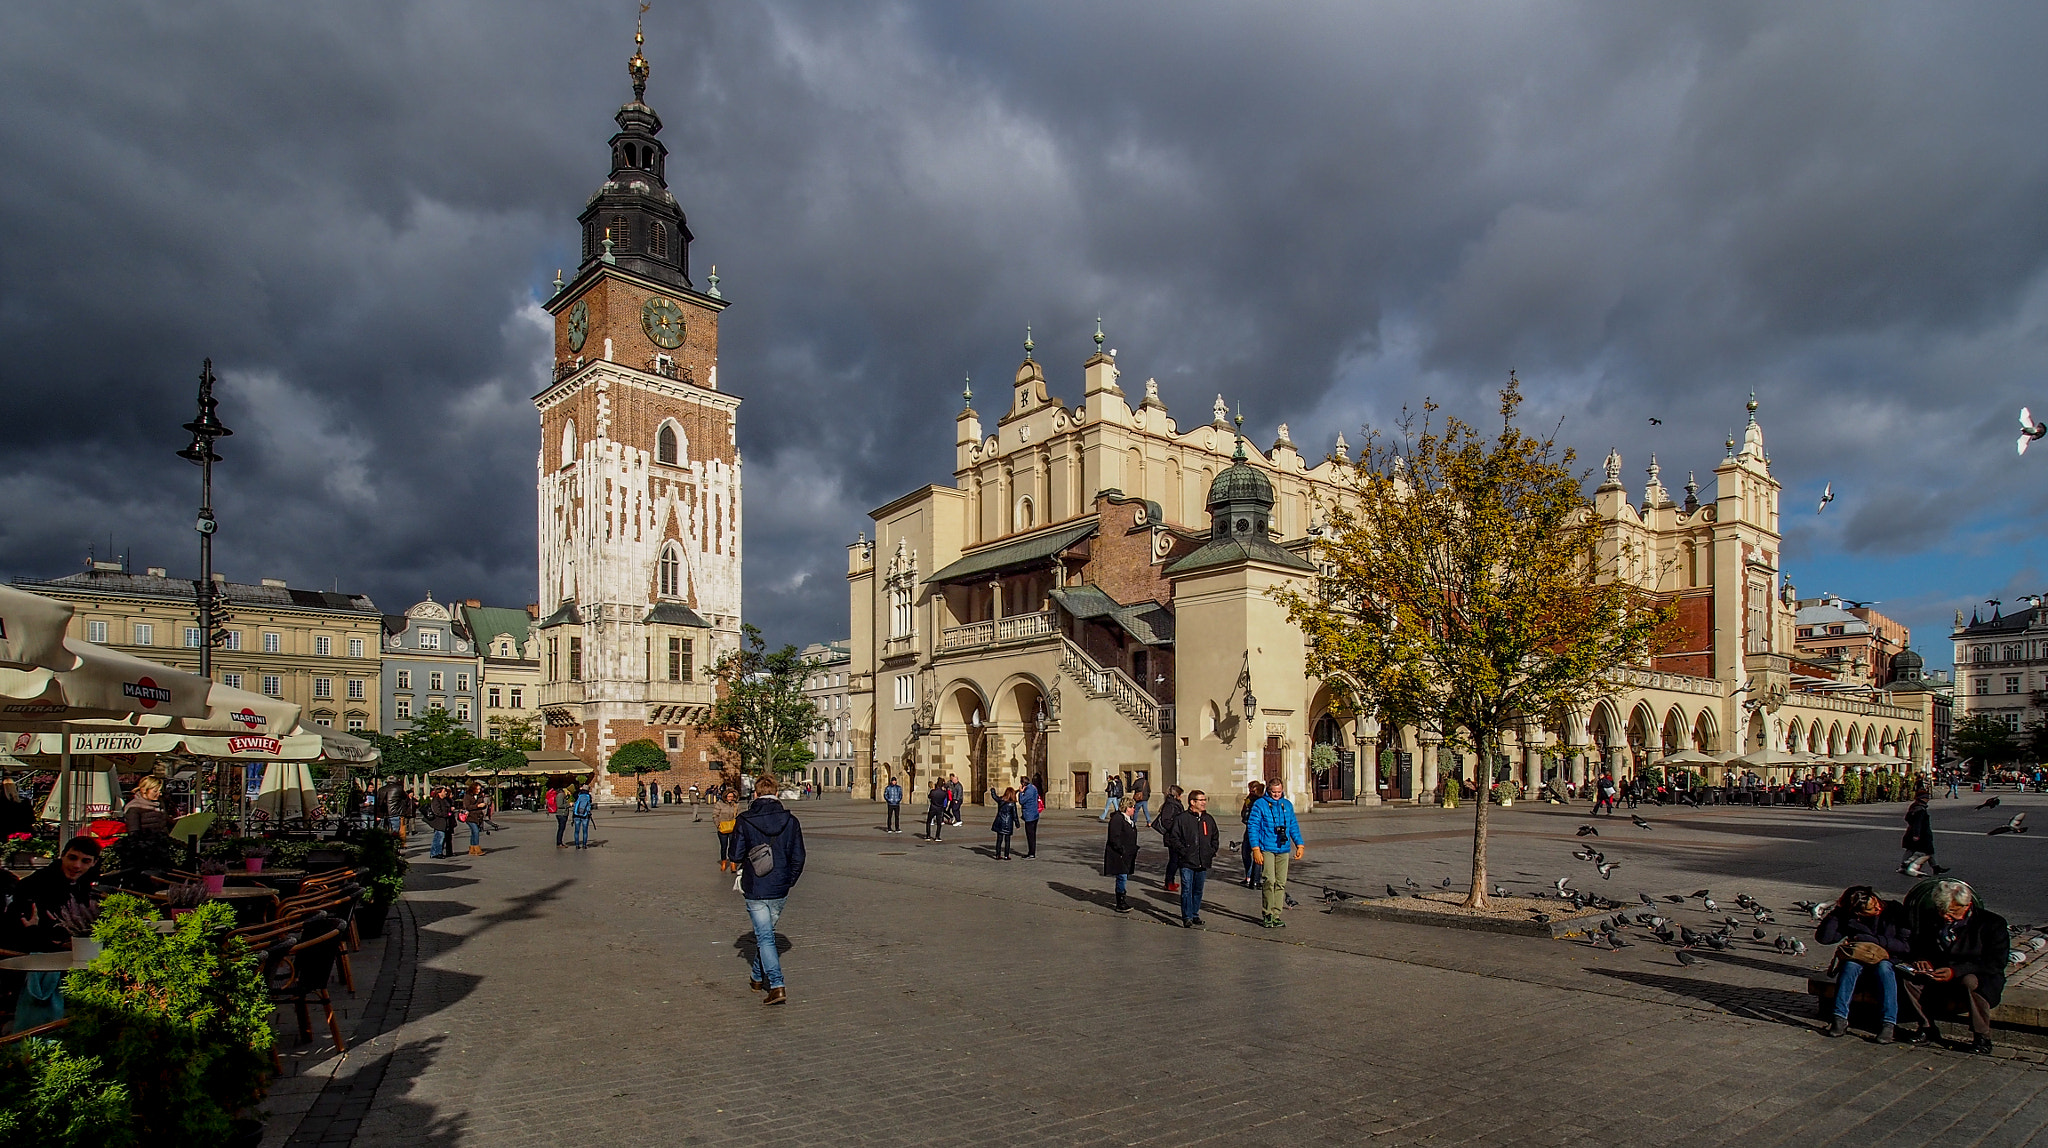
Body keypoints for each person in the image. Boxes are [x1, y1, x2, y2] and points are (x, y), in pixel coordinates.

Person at [1899, 878, 2009, 1054]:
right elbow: (1919, 944)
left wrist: (1956, 971)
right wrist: (1922, 959)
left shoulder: (1992, 924)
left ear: (1967, 906)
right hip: (1940, 971)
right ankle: (1927, 1027)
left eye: (1952, 912)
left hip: (1975, 974)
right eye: (1942, 911)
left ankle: (1982, 1036)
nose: (1945, 916)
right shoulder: (1933, 919)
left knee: (1971, 982)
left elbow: (1995, 962)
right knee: (1910, 979)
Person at [728, 776, 806, 1006]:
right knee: (767, 935)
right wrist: (788, 880)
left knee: (764, 936)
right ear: (777, 793)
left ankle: (777, 984)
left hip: (756, 885)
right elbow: (799, 856)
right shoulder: (790, 821)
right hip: (780, 886)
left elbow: (735, 855)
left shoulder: (745, 820)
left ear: (756, 794)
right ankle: (756, 977)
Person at [1815, 885, 1913, 1042]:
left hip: (1889, 958)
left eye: (1876, 903)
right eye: (1872, 910)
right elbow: (1825, 938)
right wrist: (1837, 912)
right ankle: (1839, 1018)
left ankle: (1888, 1023)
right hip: (1861, 959)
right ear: (1858, 914)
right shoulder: (1852, 917)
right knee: (1849, 966)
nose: (1878, 908)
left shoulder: (1894, 910)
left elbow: (1905, 945)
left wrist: (1874, 941)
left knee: (1884, 969)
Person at [4, 837, 100, 953]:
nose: (77, 865)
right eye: (72, 858)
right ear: (63, 855)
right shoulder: (35, 884)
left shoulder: (84, 885)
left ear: (94, 862)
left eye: (85, 861)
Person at [1246, 778, 1305, 929]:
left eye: (1279, 792)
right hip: (1267, 847)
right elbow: (1253, 827)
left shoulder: (1287, 805)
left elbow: (1293, 825)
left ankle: (1276, 914)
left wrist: (1299, 844)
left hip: (1283, 848)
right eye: (1273, 792)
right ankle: (1267, 913)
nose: (1276, 795)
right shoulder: (1260, 804)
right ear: (1268, 790)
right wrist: (1256, 849)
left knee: (1280, 882)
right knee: (1269, 880)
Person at [1166, 789, 1220, 927]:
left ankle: (1195, 913)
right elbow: (1174, 838)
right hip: (1186, 861)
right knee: (1186, 889)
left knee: (1198, 889)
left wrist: (1211, 850)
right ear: (1192, 802)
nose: (1204, 803)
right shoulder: (1182, 819)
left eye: (1204, 800)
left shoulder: (1208, 819)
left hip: (1203, 860)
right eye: (1201, 800)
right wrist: (1183, 851)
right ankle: (1187, 916)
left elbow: (1215, 836)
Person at [1103, 796, 1140, 912]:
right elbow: (1114, 837)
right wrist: (1122, 849)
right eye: (1132, 807)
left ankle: (1122, 899)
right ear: (1126, 808)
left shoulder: (1129, 819)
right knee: (1122, 876)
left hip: (1128, 854)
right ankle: (1121, 901)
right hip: (1119, 855)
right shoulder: (1117, 819)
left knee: (1124, 876)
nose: (1134, 809)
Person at [1900, 789, 1944, 876]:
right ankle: (1935, 867)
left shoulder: (1914, 807)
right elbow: (1918, 823)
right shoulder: (1920, 810)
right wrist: (1916, 834)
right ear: (1922, 798)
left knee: (1913, 849)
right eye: (1927, 798)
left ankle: (1935, 867)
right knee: (1927, 850)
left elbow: (1908, 818)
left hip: (1913, 832)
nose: (1928, 799)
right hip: (1922, 834)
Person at [1152, 786, 1185, 892]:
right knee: (1174, 860)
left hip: (1176, 836)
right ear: (1176, 795)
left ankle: (1170, 881)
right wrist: (1176, 829)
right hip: (1172, 837)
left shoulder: (1174, 804)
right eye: (1180, 794)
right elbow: (1166, 821)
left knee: (1175, 860)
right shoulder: (1170, 805)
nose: (1181, 797)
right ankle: (1168, 882)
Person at [1239, 780, 1266, 888]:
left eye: (1252, 789)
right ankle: (1249, 877)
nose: (1250, 791)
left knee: (1257, 854)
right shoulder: (1249, 799)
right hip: (1249, 827)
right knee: (1246, 852)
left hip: (1258, 829)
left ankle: (1255, 880)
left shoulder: (1260, 800)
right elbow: (1244, 812)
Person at [713, 786, 741, 869]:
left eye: (732, 797)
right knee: (723, 846)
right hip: (723, 828)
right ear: (725, 796)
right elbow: (715, 815)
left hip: (733, 828)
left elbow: (739, 816)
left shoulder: (736, 805)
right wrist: (718, 824)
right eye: (729, 796)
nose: (730, 798)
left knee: (733, 846)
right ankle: (724, 861)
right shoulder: (719, 804)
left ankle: (733, 862)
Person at [989, 787, 1019, 860]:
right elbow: (1015, 815)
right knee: (1007, 840)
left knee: (999, 839)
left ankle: (997, 855)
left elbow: (994, 797)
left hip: (1000, 821)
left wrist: (993, 790)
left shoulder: (1001, 800)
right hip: (1008, 823)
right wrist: (1017, 824)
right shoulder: (1012, 804)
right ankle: (1006, 855)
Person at [427, 786, 455, 858]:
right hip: (439, 822)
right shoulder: (436, 800)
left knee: (441, 837)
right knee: (439, 837)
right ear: (439, 793)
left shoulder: (445, 800)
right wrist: (447, 813)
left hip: (445, 822)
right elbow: (437, 812)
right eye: (444, 791)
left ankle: (438, 852)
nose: (445, 793)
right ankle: (436, 853)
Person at [1018, 775, 1042, 858]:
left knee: (1030, 835)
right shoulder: (1033, 788)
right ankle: (1031, 852)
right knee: (1032, 834)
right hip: (1035, 814)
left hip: (1029, 816)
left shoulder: (1028, 791)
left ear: (1023, 783)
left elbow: (1022, 801)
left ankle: (1031, 853)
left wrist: (1021, 792)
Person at [571, 783, 594, 849]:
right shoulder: (588, 796)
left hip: (576, 815)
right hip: (585, 815)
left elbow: (574, 794)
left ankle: (577, 845)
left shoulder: (578, 795)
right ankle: (584, 845)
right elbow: (590, 804)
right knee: (585, 831)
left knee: (576, 831)